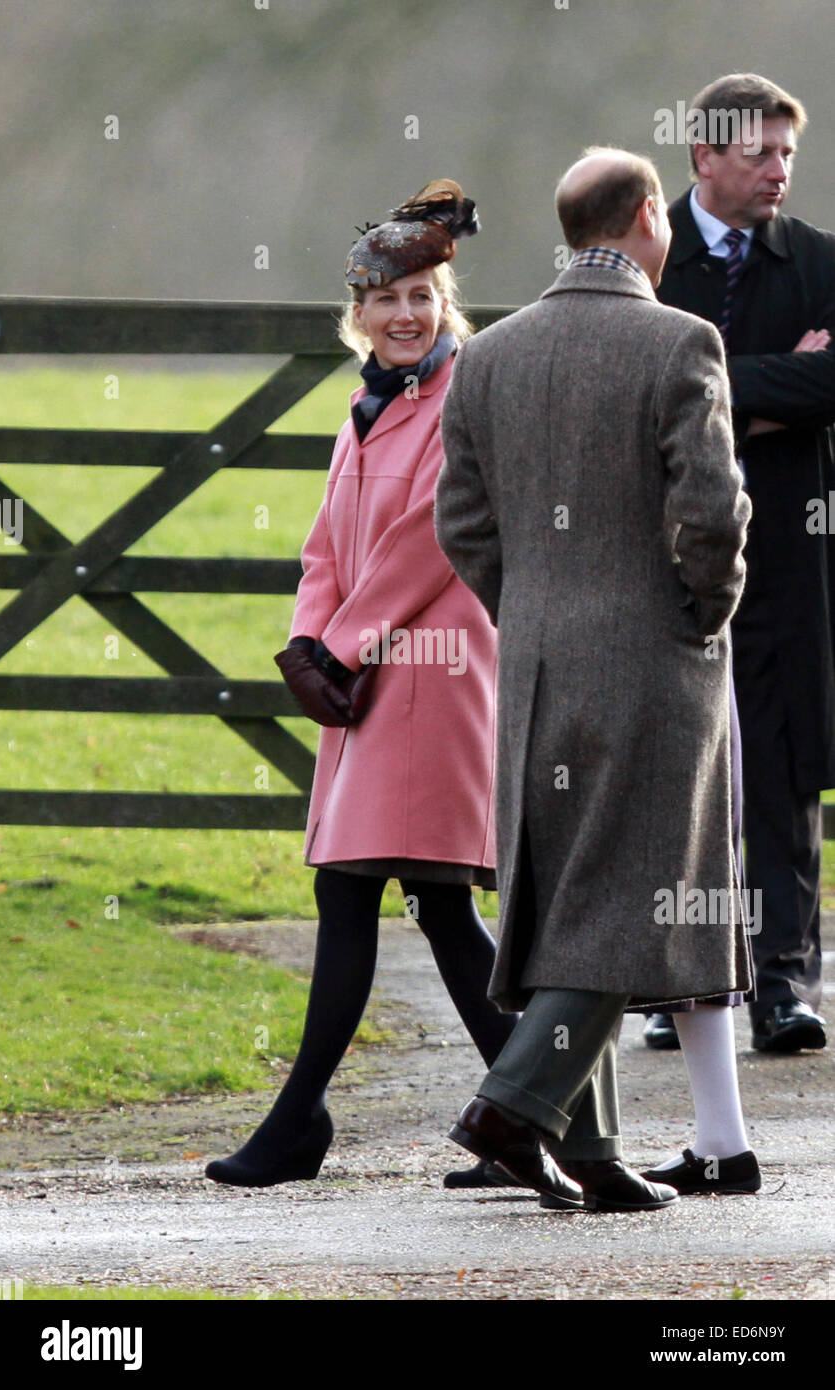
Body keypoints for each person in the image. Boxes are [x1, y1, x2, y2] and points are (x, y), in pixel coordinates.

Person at [435, 148, 753, 1212]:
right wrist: (697, 619)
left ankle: (595, 1148)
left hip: (530, 662)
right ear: (644, 220)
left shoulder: (487, 355)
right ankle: (512, 1106)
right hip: (651, 662)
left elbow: (462, 526)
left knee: (569, 891)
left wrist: (527, 613)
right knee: (627, 900)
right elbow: (708, 516)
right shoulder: (680, 340)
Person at [205, 180, 515, 1189]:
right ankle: (539, 1118)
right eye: (388, 299)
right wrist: (305, 639)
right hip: (361, 676)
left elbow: (434, 539)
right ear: (358, 312)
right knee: (431, 905)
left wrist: (340, 647)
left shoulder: (461, 395)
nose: (407, 314)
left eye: (423, 295)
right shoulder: (364, 407)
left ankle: (301, 1123)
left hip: (427, 674)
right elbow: (328, 546)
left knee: (368, 891)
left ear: (444, 304)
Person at [648, 72, 833, 1056]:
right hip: (665, 553)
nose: (778, 171)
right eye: (758, 152)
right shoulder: (648, 258)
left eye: (788, 153)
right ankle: (678, 984)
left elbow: (832, 379)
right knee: (671, 767)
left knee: (782, 765)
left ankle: (782, 982)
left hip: (788, 554)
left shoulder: (817, 262)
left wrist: (703, 387)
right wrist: (766, 389)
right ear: (702, 155)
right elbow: (630, 386)